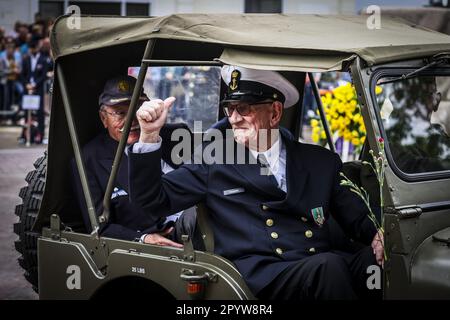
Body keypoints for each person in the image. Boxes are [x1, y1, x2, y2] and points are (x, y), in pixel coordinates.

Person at [128, 66, 384, 300]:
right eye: (230, 109)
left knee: (381, 259)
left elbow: (358, 218)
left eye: (245, 108)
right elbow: (153, 202)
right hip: (263, 275)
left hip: (318, 263)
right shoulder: (214, 161)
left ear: (274, 112)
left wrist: (379, 235)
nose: (234, 118)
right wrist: (149, 136)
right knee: (329, 267)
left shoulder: (320, 161)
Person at [71, 75, 197, 248]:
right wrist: (143, 239)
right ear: (103, 118)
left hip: (202, 223)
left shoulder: (176, 136)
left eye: (136, 109)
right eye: (120, 113)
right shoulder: (89, 159)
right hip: (159, 240)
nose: (131, 120)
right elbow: (98, 227)